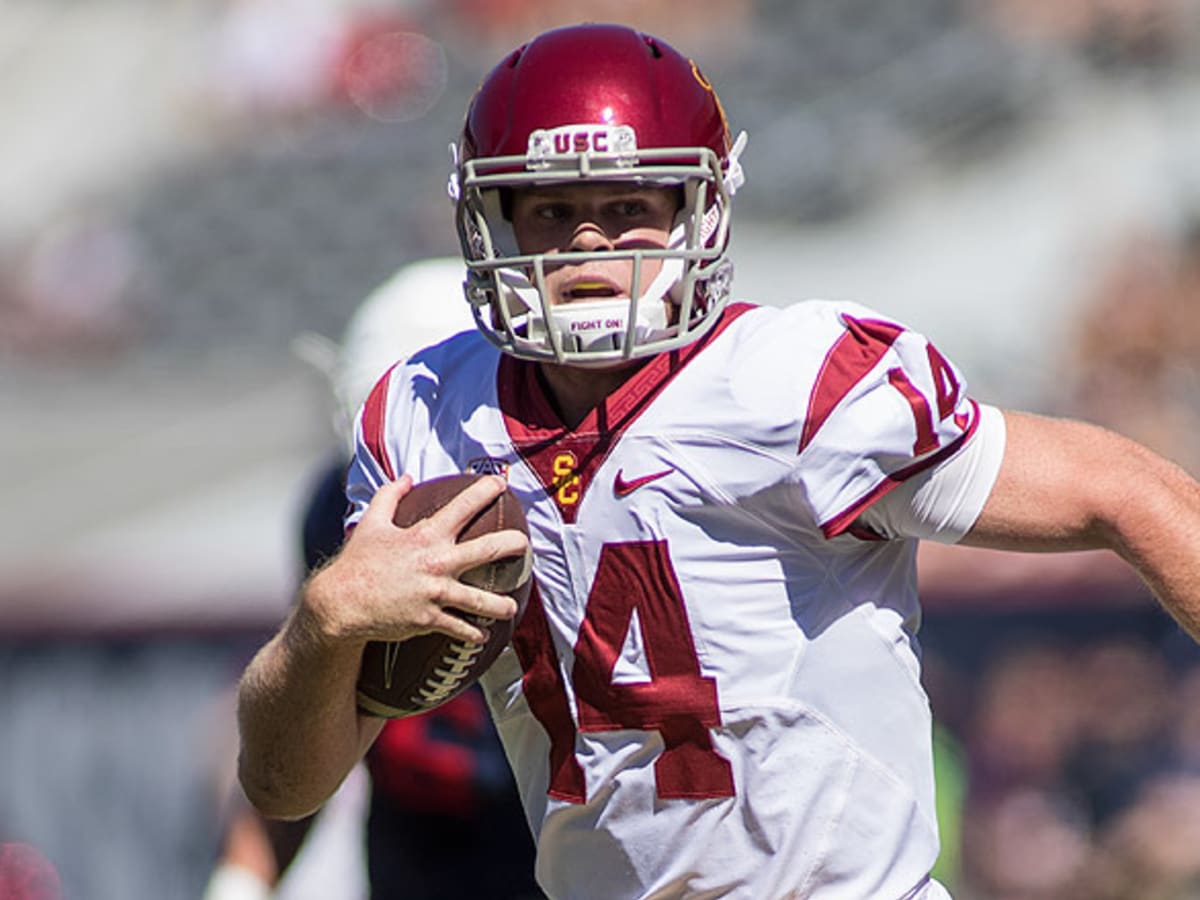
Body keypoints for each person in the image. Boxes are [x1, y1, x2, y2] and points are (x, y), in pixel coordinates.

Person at [234, 22, 1200, 900]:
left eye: (627, 206)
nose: (588, 243)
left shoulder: (799, 384)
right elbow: (283, 786)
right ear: (490, 222)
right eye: (550, 210)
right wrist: (321, 628)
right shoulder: (425, 417)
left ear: (700, 209)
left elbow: (1129, 493)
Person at [206, 259, 538, 900]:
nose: (394, 487)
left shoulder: (560, 509)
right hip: (418, 865)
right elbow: (308, 726)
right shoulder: (335, 508)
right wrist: (239, 880)